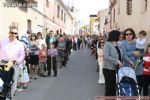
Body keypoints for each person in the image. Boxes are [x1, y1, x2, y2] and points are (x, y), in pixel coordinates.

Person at [103, 30, 133, 96]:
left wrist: (130, 61)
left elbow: (123, 55)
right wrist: (117, 61)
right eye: (119, 36)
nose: (121, 37)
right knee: (109, 88)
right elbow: (106, 56)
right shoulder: (107, 44)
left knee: (114, 87)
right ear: (115, 36)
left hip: (118, 69)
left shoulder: (119, 44)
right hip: (108, 69)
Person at [0, 27, 25, 98]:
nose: (13, 34)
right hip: (3, 63)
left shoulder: (20, 44)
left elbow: (22, 55)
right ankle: (2, 94)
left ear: (17, 34)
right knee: (2, 80)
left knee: (13, 81)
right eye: (12, 32)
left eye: (15, 33)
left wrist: (18, 61)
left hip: (13, 64)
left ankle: (10, 96)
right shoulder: (2, 41)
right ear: (9, 33)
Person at [121, 28, 143, 94]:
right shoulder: (124, 43)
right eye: (126, 34)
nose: (128, 35)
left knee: (138, 84)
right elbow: (123, 55)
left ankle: (137, 96)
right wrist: (133, 53)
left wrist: (136, 55)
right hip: (128, 66)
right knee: (129, 84)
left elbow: (140, 53)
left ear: (133, 34)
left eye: (130, 34)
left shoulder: (136, 42)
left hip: (138, 66)